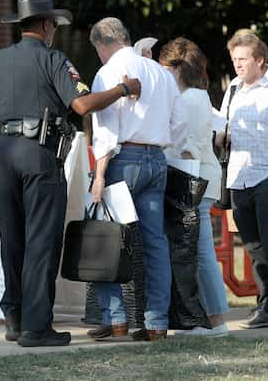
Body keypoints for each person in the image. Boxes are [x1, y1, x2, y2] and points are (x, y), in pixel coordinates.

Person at [0, 0, 141, 347]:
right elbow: (81, 104)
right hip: (40, 158)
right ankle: (36, 328)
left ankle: (14, 318)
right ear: (47, 25)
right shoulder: (54, 60)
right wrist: (124, 89)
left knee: (13, 241)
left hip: (5, 157)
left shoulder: (0, 59)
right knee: (42, 243)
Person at [89, 17, 185, 342]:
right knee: (155, 242)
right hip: (156, 156)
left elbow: (104, 129)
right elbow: (178, 122)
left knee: (106, 238)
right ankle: (157, 321)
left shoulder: (107, 72)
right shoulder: (160, 72)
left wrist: (99, 175)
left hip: (122, 158)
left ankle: (115, 317)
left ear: (103, 44)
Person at [218, 29, 268, 332]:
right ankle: (266, 305)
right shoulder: (233, 92)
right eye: (234, 59)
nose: (237, 65)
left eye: (243, 59)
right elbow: (226, 132)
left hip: (267, 177)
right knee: (253, 247)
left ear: (260, 60)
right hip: (239, 179)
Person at [158, 38, 230, 338]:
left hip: (191, 180)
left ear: (176, 70)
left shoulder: (186, 100)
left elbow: (184, 147)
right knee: (201, 251)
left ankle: (215, 317)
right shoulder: (199, 96)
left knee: (201, 252)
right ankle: (213, 315)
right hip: (203, 178)